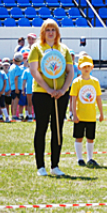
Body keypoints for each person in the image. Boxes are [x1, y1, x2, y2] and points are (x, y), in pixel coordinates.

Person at [27, 19, 75, 177]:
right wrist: (48, 89)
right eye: (47, 30)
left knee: (57, 129)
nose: (50, 32)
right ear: (43, 32)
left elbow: (70, 71)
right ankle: (40, 166)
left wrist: (63, 89)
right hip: (41, 93)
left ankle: (55, 165)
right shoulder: (37, 48)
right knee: (41, 128)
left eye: (53, 30)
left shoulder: (64, 49)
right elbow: (34, 71)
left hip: (60, 94)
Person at [69, 56, 103, 167]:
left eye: (88, 66)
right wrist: (74, 114)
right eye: (84, 67)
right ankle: (80, 158)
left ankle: (90, 158)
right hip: (79, 115)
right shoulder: (76, 82)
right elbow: (73, 99)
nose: (86, 69)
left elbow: (98, 98)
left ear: (92, 67)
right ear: (79, 67)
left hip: (91, 116)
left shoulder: (95, 82)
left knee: (90, 138)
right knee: (79, 137)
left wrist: (101, 113)